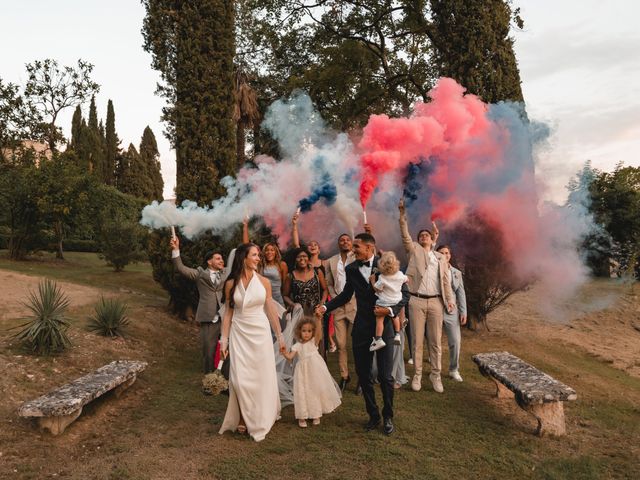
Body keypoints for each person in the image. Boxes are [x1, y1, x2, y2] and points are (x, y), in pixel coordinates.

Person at [316, 233, 409, 435]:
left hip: (384, 328)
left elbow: (405, 294)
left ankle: (388, 416)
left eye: (357, 246)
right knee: (364, 375)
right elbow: (345, 295)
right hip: (361, 329)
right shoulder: (351, 269)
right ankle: (373, 415)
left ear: (370, 248)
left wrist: (390, 312)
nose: (353, 250)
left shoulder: (386, 263)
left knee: (385, 377)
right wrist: (325, 307)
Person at [218, 243, 286, 442]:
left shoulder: (264, 282)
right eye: (255, 255)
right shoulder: (230, 283)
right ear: (243, 258)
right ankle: (240, 416)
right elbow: (228, 315)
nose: (259, 258)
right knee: (239, 379)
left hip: (260, 332)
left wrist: (280, 337)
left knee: (260, 376)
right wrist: (224, 342)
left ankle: (259, 416)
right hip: (239, 332)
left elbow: (272, 311)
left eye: (258, 255)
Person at [398, 198, 455, 394]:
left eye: (426, 235)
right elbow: (405, 235)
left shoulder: (440, 257)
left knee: (436, 341)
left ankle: (436, 375)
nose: (423, 237)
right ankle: (417, 375)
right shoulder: (414, 251)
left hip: (436, 302)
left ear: (432, 240)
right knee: (417, 341)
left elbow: (446, 281)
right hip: (416, 300)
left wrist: (449, 300)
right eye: (421, 235)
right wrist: (402, 215)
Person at [170, 236, 234, 374]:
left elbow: (241, 265)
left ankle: (225, 378)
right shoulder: (200, 274)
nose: (221, 260)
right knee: (208, 351)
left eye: (222, 258)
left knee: (228, 349)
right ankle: (209, 380)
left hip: (226, 317)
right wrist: (176, 250)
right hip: (209, 318)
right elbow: (180, 268)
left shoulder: (227, 272)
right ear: (209, 261)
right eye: (218, 258)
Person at [281, 317, 342, 427]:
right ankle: (302, 416)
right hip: (302, 371)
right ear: (299, 331)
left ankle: (315, 413)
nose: (306, 334)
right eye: (304, 331)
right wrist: (285, 353)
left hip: (314, 370)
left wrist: (318, 319)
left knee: (314, 390)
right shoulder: (297, 346)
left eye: (309, 331)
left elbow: (319, 330)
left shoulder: (314, 342)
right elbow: (290, 357)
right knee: (302, 391)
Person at [323, 233, 357, 391]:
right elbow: (329, 283)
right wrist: (335, 297)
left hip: (355, 304)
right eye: (341, 240)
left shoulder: (357, 257)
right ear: (338, 244)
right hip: (338, 305)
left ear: (351, 243)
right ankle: (344, 376)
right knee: (341, 344)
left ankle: (362, 377)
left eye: (347, 240)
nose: (345, 242)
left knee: (358, 343)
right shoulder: (331, 261)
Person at [283, 247, 328, 348]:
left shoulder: (317, 272)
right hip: (300, 312)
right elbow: (285, 295)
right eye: (299, 257)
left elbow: (325, 289)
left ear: (308, 258)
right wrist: (293, 304)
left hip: (316, 310)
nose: (302, 259)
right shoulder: (290, 276)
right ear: (295, 259)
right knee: (302, 339)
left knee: (317, 338)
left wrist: (322, 303)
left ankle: (318, 362)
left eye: (304, 256)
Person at [436, 245, 467, 382]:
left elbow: (461, 293)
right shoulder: (432, 270)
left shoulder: (457, 273)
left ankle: (454, 369)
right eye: (441, 253)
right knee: (434, 341)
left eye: (446, 253)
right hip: (435, 308)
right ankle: (434, 369)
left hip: (451, 310)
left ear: (450, 255)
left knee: (455, 341)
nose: (444, 255)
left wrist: (463, 311)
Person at [242, 217, 288, 307]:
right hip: (262, 298)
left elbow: (284, 286)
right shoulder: (260, 264)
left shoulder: (282, 265)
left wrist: (286, 301)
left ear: (276, 252)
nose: (269, 252)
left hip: (278, 299)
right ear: (263, 252)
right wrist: (245, 226)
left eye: (272, 250)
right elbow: (246, 247)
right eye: (267, 250)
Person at [369, 251, 407, 351]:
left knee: (379, 320)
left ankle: (378, 339)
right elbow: (407, 280)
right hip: (396, 301)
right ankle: (397, 334)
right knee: (395, 316)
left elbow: (377, 289)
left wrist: (372, 281)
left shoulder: (382, 277)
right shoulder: (400, 274)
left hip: (384, 302)